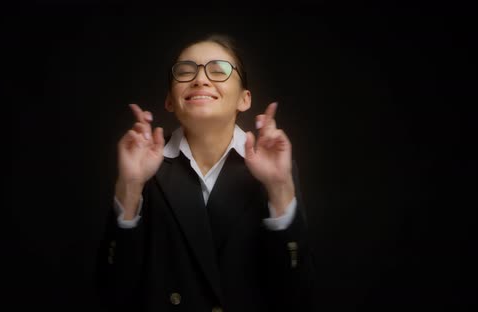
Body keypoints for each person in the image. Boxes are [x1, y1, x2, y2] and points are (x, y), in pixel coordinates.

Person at [96, 34, 314, 311]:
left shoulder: (273, 168)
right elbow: (111, 293)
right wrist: (129, 187)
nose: (200, 79)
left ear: (244, 99)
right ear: (170, 101)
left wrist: (280, 187)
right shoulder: (142, 170)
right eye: (186, 71)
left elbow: (297, 295)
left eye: (219, 70)